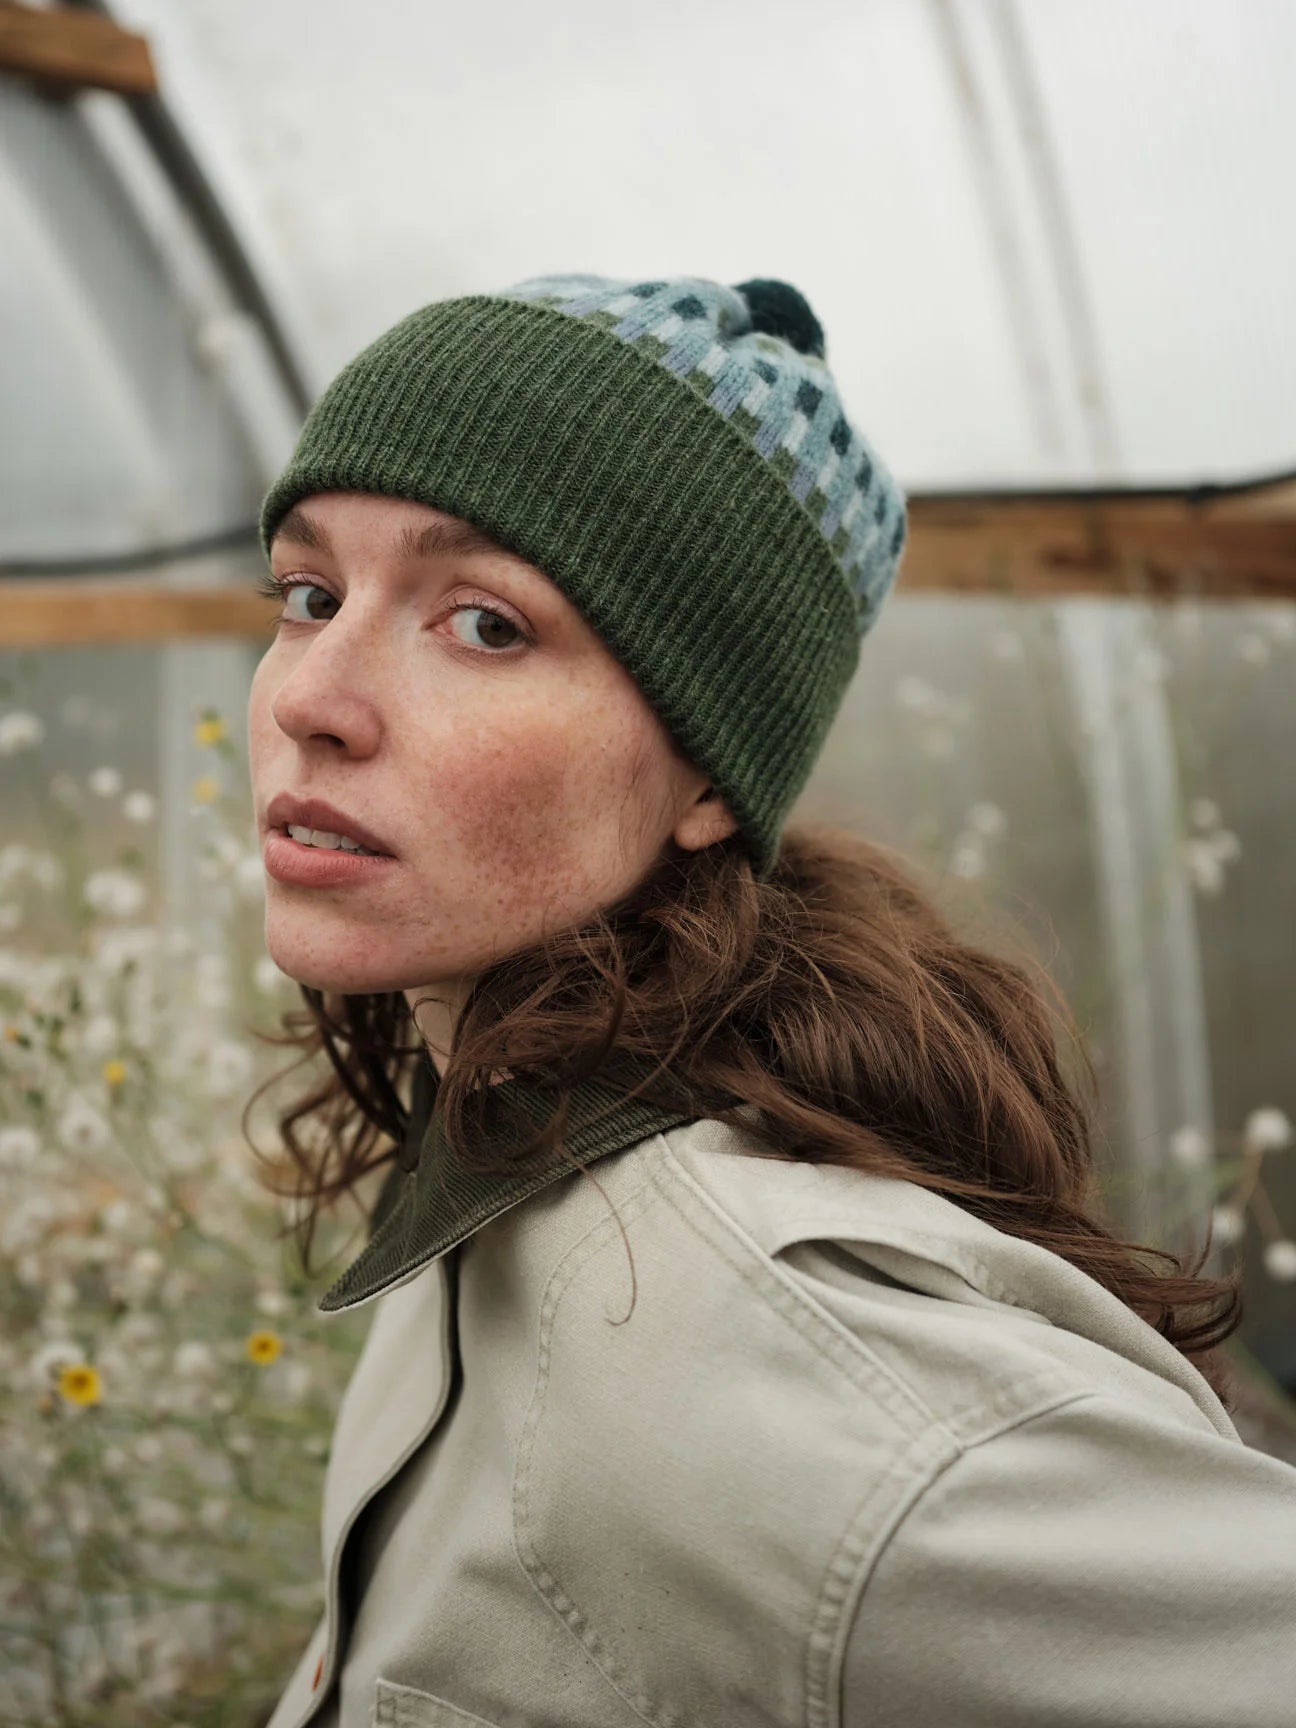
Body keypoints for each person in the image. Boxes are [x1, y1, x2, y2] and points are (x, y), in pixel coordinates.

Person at [247, 272, 1296, 1728]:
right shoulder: (494, 1142)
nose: (312, 694)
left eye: (485, 624)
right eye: (308, 594)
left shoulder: (772, 1378)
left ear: (703, 778)